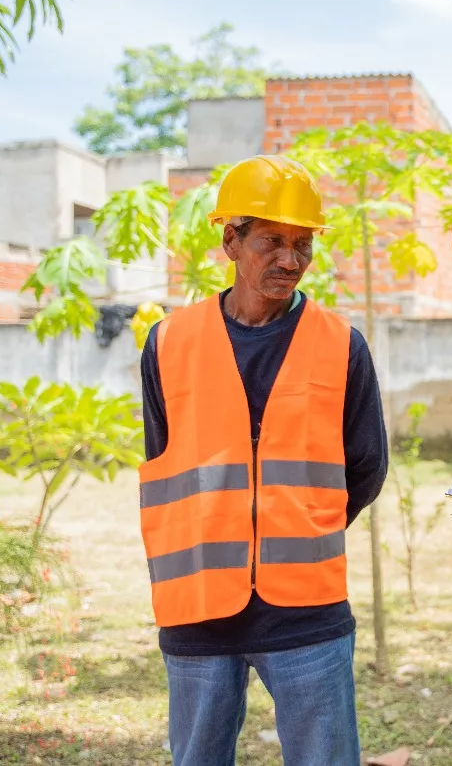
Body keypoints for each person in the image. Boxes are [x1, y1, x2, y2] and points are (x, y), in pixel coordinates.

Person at [137, 155, 387, 766]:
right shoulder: (169, 342)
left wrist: (295, 523)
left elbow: (365, 467)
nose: (290, 260)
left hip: (306, 611)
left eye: (302, 245)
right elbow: (163, 459)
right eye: (272, 241)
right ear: (231, 240)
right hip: (197, 605)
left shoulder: (341, 345)